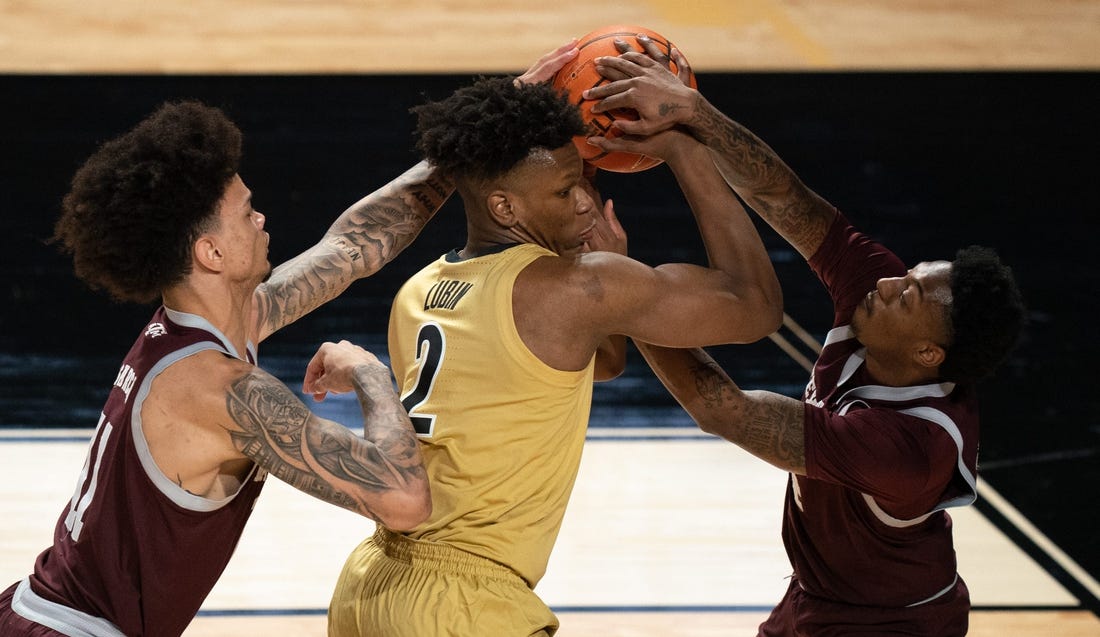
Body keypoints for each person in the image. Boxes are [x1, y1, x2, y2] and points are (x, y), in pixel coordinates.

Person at [325, 49, 785, 636]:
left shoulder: (419, 291)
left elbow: (596, 366)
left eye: (584, 182)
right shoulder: (575, 289)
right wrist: (683, 147)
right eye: (566, 190)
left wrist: (602, 266)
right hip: (467, 605)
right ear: (505, 206)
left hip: (374, 584)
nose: (586, 202)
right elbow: (755, 305)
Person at [585, 40, 1027, 636]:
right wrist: (692, 114)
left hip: (888, 626)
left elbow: (725, 411)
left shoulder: (910, 450)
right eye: (909, 276)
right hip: (816, 595)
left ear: (928, 354)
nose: (891, 281)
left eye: (911, 295)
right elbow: (784, 199)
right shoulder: (881, 300)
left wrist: (626, 293)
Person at [0, 100, 453, 636]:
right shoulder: (220, 392)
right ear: (211, 252)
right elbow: (403, 500)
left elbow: (353, 247)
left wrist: (463, 149)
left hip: (43, 613)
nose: (261, 217)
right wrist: (369, 371)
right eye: (246, 211)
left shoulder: (205, 327)